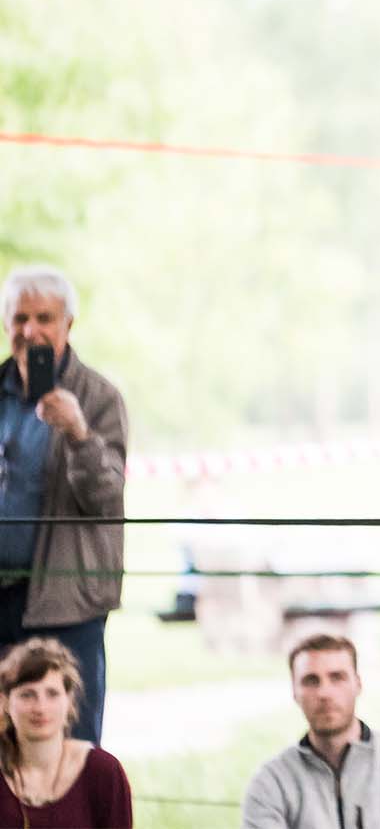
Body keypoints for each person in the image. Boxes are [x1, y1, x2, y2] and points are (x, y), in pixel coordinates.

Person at [0, 266, 128, 745]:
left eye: (44, 318)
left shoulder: (98, 397)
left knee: (71, 748)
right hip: (3, 599)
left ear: (68, 325)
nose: (30, 330)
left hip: (65, 606)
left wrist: (78, 433)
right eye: (19, 318)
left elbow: (107, 499)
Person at [242, 633, 380, 828]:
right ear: (294, 692)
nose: (324, 693)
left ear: (358, 684)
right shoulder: (270, 782)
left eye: (337, 677)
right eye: (311, 681)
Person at [0, 638, 133, 827]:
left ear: (69, 701)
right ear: (5, 702)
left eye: (52, 694)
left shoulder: (103, 771)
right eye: (27, 695)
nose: (40, 707)